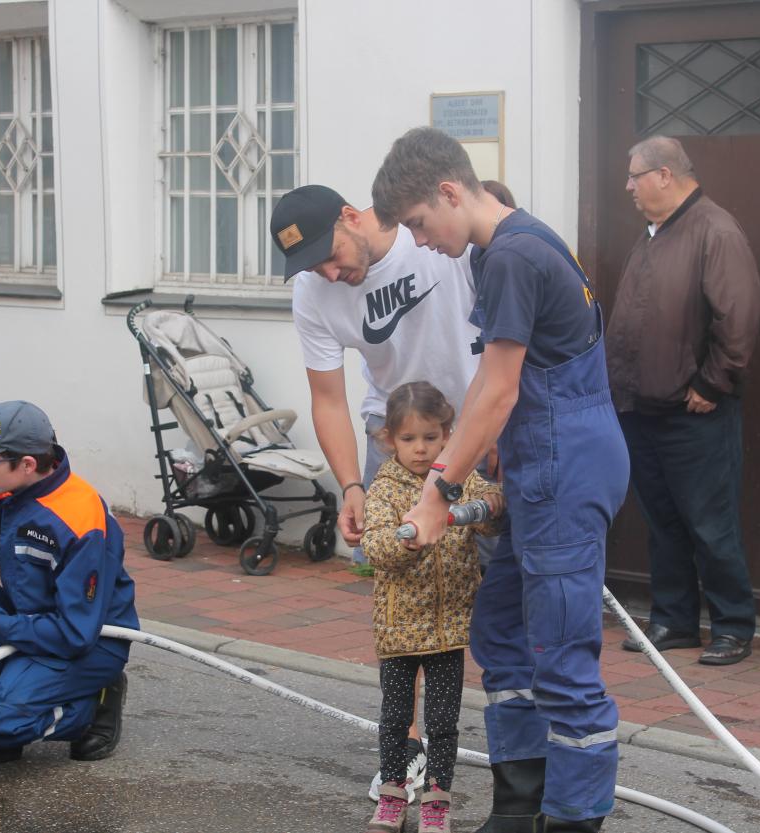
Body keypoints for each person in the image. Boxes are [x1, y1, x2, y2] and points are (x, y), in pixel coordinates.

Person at [372, 126, 630, 833]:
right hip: (544, 456)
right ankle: (519, 805)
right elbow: (492, 370)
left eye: (421, 223)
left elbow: (501, 391)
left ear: (450, 191)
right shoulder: (508, 245)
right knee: (503, 630)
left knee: (561, 652)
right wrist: (481, 449)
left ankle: (572, 818)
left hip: (564, 468)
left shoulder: (512, 255)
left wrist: (436, 492)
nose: (420, 242)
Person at [270, 183, 488, 798]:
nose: (330, 273)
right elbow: (327, 398)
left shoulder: (427, 239)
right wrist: (350, 484)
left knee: (486, 575)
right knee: (402, 583)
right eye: (313, 266)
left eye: (331, 255)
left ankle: (514, 729)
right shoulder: (314, 293)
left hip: (474, 428)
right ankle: (411, 749)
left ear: (351, 216)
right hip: (393, 434)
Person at [0, 400, 139, 774]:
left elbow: (73, 635)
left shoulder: (80, 520)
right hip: (28, 622)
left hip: (87, 645)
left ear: (27, 464)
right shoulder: (3, 486)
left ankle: (91, 705)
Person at [606, 136, 760, 667]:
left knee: (710, 522)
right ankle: (674, 620)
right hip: (643, 409)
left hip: (694, 412)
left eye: (634, 176)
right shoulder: (654, 234)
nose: (627, 186)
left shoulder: (714, 230)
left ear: (665, 175)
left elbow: (739, 319)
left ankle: (733, 627)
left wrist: (712, 383)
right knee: (664, 521)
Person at [361, 381, 503, 833]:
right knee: (395, 718)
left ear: (447, 435)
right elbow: (376, 546)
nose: (420, 450)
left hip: (449, 625)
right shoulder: (384, 488)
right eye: (408, 439)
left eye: (430, 438)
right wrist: (408, 538)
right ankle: (392, 794)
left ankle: (437, 800)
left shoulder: (456, 478)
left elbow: (495, 506)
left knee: (443, 721)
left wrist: (482, 508)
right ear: (390, 440)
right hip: (400, 625)